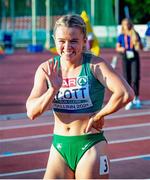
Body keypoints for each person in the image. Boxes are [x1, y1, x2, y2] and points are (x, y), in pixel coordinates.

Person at [26, 14, 134, 179]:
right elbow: (31, 112)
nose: (67, 46)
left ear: (84, 40)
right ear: (54, 40)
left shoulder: (95, 65)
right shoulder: (47, 69)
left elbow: (126, 93)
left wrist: (100, 115)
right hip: (59, 146)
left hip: (90, 144)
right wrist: (52, 90)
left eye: (74, 41)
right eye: (62, 41)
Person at [116, 18, 143, 110]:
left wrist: (138, 43)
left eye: (128, 24)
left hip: (134, 57)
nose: (127, 26)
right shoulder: (121, 36)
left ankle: (136, 98)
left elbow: (141, 47)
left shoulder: (135, 34)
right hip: (125, 57)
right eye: (125, 24)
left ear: (130, 24)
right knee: (127, 78)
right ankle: (129, 100)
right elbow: (117, 48)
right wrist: (121, 49)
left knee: (135, 78)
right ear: (123, 26)